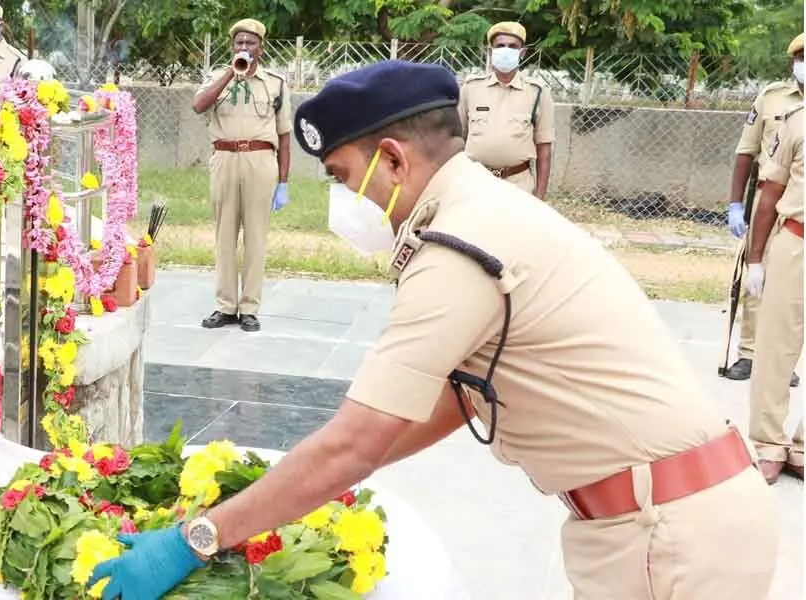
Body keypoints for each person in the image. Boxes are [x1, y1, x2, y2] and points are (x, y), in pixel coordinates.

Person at [86, 61, 778, 600]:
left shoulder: (458, 245)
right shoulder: (482, 208)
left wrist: (194, 540)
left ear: (392, 160)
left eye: (341, 176)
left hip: (671, 536)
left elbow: (355, 444)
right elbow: (460, 397)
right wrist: (303, 481)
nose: (340, 200)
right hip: (664, 519)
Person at [192, 18, 292, 333]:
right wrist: (229, 73)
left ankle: (249, 308)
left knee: (256, 238)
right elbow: (198, 105)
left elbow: (285, 136)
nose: (244, 48)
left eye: (250, 43)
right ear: (232, 46)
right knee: (224, 236)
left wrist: (284, 183)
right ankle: (225, 306)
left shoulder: (274, 83)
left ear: (260, 47)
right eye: (239, 43)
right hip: (224, 158)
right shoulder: (216, 77)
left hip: (261, 160)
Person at [723, 33, 803, 384]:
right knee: (758, 274)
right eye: (801, 57)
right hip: (768, 199)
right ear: (793, 62)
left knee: (794, 289)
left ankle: (783, 361)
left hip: (798, 205)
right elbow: (746, 151)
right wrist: (735, 203)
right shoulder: (772, 98)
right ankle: (750, 353)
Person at [744, 98, 804, 485]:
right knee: (776, 347)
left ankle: (801, 448)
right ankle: (769, 444)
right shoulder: (797, 123)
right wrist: (755, 258)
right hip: (797, 241)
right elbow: (770, 192)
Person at [457, 21, 555, 198]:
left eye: (512, 46)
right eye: (500, 46)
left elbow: (544, 149)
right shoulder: (471, 89)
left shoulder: (537, 93)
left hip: (518, 186)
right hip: (475, 183)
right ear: (491, 51)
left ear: (522, 52)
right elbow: (457, 140)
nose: (505, 50)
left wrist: (540, 198)